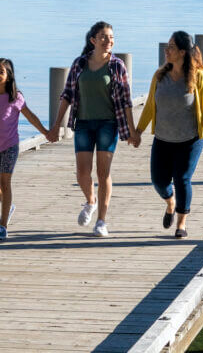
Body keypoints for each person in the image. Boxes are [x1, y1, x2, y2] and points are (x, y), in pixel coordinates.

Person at [48, 21, 140, 237]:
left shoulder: (117, 66)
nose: (109, 41)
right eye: (104, 37)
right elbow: (67, 96)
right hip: (83, 124)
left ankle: (101, 221)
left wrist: (132, 131)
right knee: (82, 173)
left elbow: (126, 101)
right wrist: (55, 127)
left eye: (111, 37)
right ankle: (91, 201)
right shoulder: (80, 64)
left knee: (103, 172)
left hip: (108, 124)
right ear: (93, 40)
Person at [135, 31, 203, 238]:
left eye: (171, 47)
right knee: (159, 181)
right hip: (163, 139)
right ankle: (170, 202)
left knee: (182, 178)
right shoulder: (159, 75)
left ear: (182, 52)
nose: (166, 50)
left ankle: (181, 223)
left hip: (190, 140)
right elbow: (150, 107)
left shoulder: (198, 77)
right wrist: (138, 131)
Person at [0, 58, 53, 241]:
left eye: (1, 72)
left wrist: (46, 132)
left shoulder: (15, 96)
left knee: (5, 183)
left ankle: (2, 226)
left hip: (10, 145)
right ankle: (8, 207)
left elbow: (31, 116)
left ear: (9, 76)